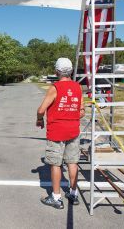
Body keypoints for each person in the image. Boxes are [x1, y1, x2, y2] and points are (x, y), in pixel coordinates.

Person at [36, 58, 84, 209]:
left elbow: (41, 110)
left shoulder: (55, 87)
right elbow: (81, 111)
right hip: (73, 130)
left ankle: (56, 197)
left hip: (57, 131)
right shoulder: (77, 87)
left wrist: (39, 119)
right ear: (70, 71)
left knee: (55, 164)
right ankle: (73, 193)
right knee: (72, 162)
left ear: (57, 71)